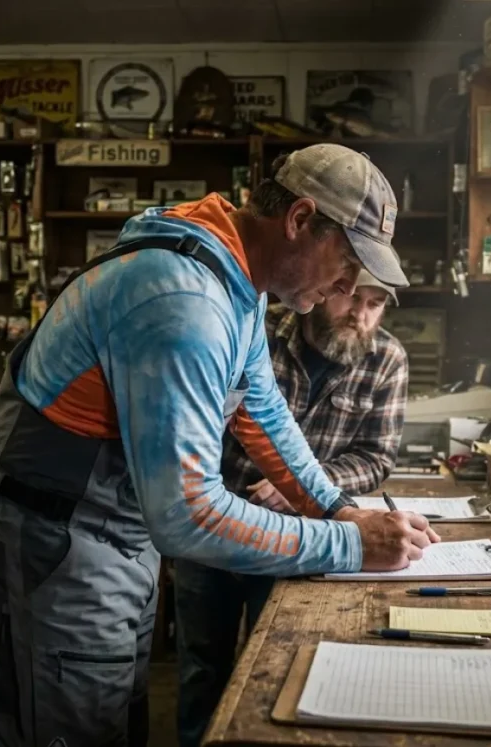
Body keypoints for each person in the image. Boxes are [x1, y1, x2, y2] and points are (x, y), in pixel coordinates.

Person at [0, 143, 440, 747]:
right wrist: (348, 544)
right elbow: (188, 515)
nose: (349, 282)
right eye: (348, 260)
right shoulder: (185, 302)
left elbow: (261, 414)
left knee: (110, 722)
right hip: (48, 542)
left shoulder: (236, 279)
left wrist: (340, 509)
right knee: (64, 728)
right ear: (299, 220)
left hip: (110, 532)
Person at [176, 269, 408, 747]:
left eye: (375, 304)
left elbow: (376, 457)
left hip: (302, 541)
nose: (360, 315)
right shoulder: (254, 332)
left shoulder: (387, 359)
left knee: (275, 663)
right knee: (202, 667)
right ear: (327, 286)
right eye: (350, 296)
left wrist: (301, 487)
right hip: (214, 527)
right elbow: (197, 432)